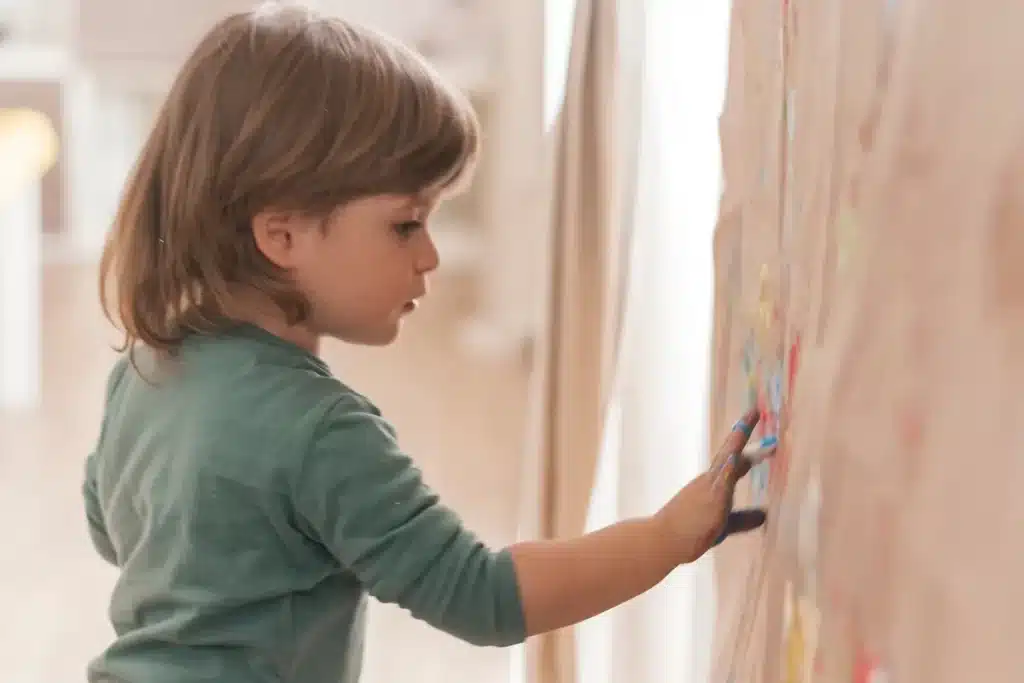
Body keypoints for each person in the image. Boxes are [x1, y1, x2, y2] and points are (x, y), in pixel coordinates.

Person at [83, 4, 774, 682]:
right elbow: (483, 596)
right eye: (406, 224)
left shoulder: (146, 367)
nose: (431, 256)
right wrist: (665, 537)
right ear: (282, 234)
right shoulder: (319, 432)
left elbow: (110, 528)